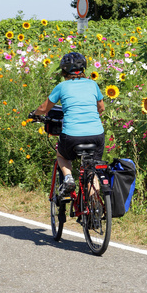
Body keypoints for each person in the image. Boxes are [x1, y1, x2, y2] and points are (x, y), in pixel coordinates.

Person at [31, 52, 105, 196]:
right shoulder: (93, 84)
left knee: (62, 155)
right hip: (97, 134)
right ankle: (94, 208)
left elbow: (44, 108)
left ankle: (69, 178)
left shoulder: (62, 86)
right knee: (93, 170)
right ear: (83, 68)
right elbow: (101, 108)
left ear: (64, 71)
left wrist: (34, 114)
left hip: (72, 135)